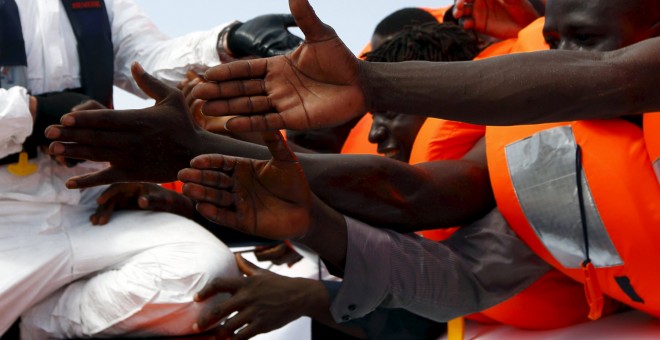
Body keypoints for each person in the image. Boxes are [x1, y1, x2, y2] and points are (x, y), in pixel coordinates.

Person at [44, 0, 660, 332]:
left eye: (587, 36)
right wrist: (313, 223)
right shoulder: (553, 150)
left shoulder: (626, 78)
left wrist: (371, 83)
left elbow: (609, 79)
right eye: (553, 42)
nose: (560, 60)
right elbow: (436, 229)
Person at [0, 0, 303, 338]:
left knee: (206, 275)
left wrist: (227, 41)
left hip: (93, 208)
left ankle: (38, 319)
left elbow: (147, 60)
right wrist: (34, 113)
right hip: (6, 216)